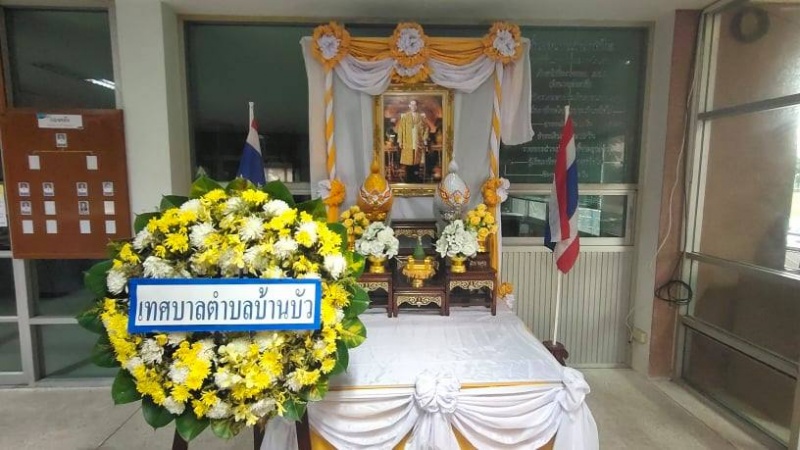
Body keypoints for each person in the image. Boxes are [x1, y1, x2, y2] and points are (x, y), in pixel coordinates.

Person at [396, 100, 429, 182]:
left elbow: (426, 128)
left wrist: (424, 138)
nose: (413, 107)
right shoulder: (405, 117)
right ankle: (409, 179)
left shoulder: (421, 117)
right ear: (409, 106)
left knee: (416, 161)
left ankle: (416, 179)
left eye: (415, 105)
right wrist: (400, 141)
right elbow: (400, 129)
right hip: (408, 142)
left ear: (416, 106)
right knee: (408, 161)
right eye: (412, 105)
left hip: (418, 142)